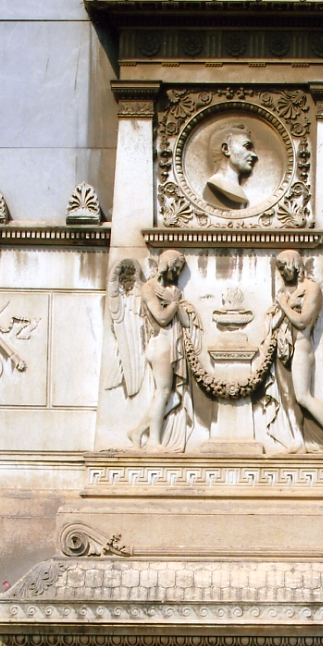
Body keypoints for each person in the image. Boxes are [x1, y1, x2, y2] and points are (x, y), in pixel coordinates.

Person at [270, 249, 323, 453]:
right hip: (285, 349)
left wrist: (285, 305)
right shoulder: (288, 291)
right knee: (290, 397)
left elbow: (302, 321)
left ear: (295, 265)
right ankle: (298, 441)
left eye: (285, 268)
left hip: (302, 347)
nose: (283, 274)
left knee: (303, 396)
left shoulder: (310, 288)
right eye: (280, 270)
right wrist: (286, 304)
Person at [127, 250, 190, 449]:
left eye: (179, 270)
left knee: (171, 396)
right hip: (160, 344)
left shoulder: (171, 290)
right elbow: (161, 317)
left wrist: (175, 301)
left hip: (171, 344)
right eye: (175, 268)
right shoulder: (149, 288)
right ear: (166, 265)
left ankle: (137, 432)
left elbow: (186, 321)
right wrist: (174, 302)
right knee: (162, 393)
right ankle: (154, 440)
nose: (177, 273)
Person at [205, 124, 258, 207]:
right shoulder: (217, 184)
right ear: (226, 149)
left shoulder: (239, 192)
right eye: (247, 147)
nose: (254, 155)